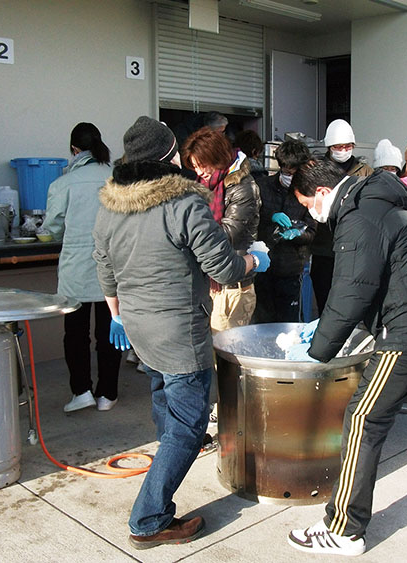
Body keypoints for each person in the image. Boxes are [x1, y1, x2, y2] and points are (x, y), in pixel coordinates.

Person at [92, 115, 269, 550]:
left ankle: (162, 463)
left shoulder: (112, 206)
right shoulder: (183, 203)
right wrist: (255, 261)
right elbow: (224, 268)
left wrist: (118, 316)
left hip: (140, 331)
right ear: (168, 156)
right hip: (178, 334)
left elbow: (104, 269)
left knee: (165, 406)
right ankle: (149, 518)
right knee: (189, 428)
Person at [286, 161, 407, 556]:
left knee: (364, 415)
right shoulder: (374, 201)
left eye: (308, 203)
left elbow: (351, 292)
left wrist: (317, 352)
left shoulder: (359, 217)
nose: (310, 213)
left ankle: (343, 528)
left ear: (324, 193)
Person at [41, 122, 122, 413]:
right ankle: (107, 394)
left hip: (76, 267)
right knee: (109, 332)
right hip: (112, 265)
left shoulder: (62, 184)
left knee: (75, 333)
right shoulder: (116, 178)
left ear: (74, 150)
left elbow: (50, 229)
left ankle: (81, 391)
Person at [181, 126, 261, 331]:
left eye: (202, 165)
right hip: (207, 281)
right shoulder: (202, 183)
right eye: (194, 167)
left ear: (217, 157)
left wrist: (189, 235)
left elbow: (227, 233)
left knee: (225, 353)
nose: (199, 172)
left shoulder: (242, 186)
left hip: (232, 284)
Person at [310, 119, 373, 313]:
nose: (343, 150)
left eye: (347, 146)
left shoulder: (365, 172)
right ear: (330, 147)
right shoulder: (315, 170)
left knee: (350, 304)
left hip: (354, 249)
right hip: (323, 247)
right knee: (325, 303)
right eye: (338, 146)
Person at [253, 139, 316, 323]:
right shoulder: (262, 186)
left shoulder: (307, 192)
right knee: (262, 320)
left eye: (293, 172)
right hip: (263, 266)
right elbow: (251, 218)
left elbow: (311, 232)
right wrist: (271, 216)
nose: (289, 175)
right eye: (285, 171)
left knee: (289, 323)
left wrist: (296, 234)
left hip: (291, 268)